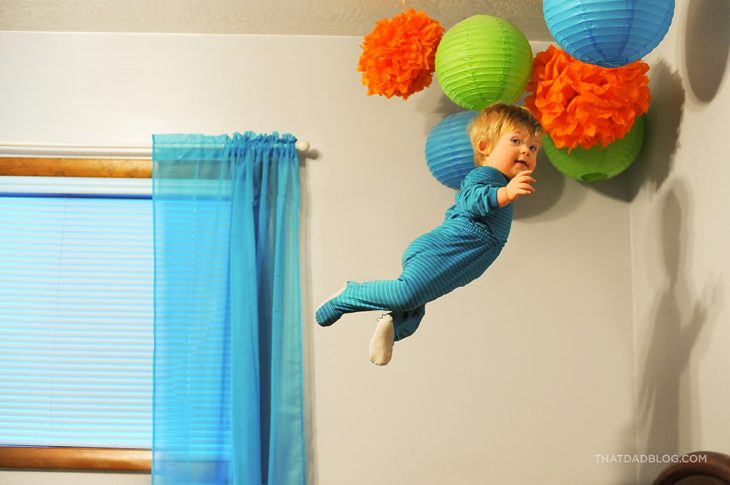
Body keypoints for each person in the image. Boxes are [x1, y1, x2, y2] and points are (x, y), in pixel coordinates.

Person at [315, 103, 544, 366]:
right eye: (516, 140)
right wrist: (505, 194)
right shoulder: (485, 175)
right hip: (447, 245)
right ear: (485, 147)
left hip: (466, 257)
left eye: (533, 147)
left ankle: (392, 325)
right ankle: (350, 294)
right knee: (407, 294)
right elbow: (470, 200)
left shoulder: (502, 183)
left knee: (417, 302)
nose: (526, 150)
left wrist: (506, 192)